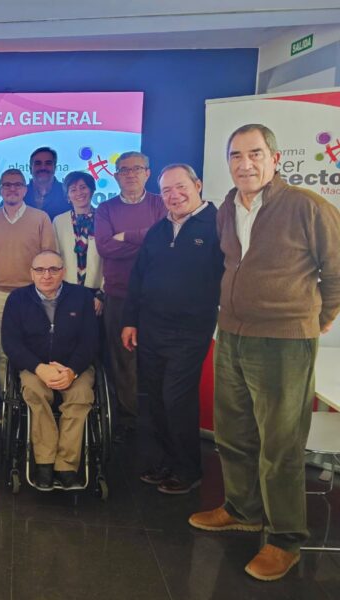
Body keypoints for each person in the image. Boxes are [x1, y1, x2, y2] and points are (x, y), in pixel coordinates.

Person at [188, 124, 340, 581]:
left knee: (280, 443)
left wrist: (318, 319)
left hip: (284, 340)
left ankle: (285, 538)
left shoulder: (307, 207)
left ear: (274, 158)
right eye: (236, 155)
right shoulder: (227, 208)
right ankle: (242, 508)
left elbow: (335, 272)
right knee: (234, 432)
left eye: (255, 153)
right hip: (231, 333)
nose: (245, 163)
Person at [120, 164, 223, 495]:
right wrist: (130, 320)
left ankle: (188, 468)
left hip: (189, 332)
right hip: (151, 329)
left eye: (180, 187)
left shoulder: (219, 226)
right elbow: (137, 279)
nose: (174, 195)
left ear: (197, 185)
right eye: (166, 191)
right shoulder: (158, 231)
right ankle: (166, 460)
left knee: (176, 399)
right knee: (153, 400)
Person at [2, 251, 98, 489]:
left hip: (74, 366)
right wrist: (39, 368)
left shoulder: (82, 297)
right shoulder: (17, 299)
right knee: (35, 393)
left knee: (81, 395)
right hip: (35, 367)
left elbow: (91, 341)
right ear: (31, 273)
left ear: (63, 272)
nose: (47, 275)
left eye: (54, 270)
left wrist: (72, 371)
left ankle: (66, 464)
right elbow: (11, 344)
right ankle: (44, 461)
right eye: (40, 270)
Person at [94, 151, 165, 434]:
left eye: (137, 168)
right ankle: (128, 419)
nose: (131, 174)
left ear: (148, 173)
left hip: (157, 297)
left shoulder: (161, 204)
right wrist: (146, 240)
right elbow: (105, 247)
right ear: (115, 175)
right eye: (124, 170)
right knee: (121, 359)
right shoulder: (106, 209)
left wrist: (127, 236)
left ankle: (154, 420)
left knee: (155, 359)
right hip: (119, 295)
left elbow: (163, 244)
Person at [0, 168, 57, 392]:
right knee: (2, 353)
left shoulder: (40, 218)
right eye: (7, 185)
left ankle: (31, 399)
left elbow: (50, 257)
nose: (12, 189)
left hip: (33, 295)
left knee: (33, 351)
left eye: (17, 184)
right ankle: (7, 401)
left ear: (25, 189)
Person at [53, 171, 104, 315]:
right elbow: (56, 256)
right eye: (73, 190)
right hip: (66, 289)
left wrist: (102, 293)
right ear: (67, 196)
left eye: (83, 187)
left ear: (92, 190)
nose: (79, 193)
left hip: (96, 291)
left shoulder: (104, 217)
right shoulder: (59, 221)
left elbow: (110, 258)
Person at [25, 147, 69, 220]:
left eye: (48, 163)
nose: (43, 167)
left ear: (55, 168)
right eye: (38, 163)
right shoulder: (18, 193)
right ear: (30, 169)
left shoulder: (68, 193)